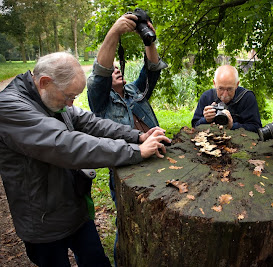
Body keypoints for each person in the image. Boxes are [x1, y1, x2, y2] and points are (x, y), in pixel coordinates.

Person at [0, 52, 170, 267]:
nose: (70, 104)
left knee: (97, 262)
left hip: (74, 209)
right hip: (43, 222)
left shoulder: (50, 99)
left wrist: (137, 136)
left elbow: (89, 122)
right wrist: (136, 151)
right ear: (45, 82)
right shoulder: (10, 108)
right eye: (69, 96)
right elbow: (65, 145)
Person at [86, 13, 167, 265]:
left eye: (118, 67)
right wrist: (114, 33)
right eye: (113, 69)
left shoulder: (135, 90)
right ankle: (125, 259)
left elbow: (152, 69)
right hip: (126, 169)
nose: (116, 69)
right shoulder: (99, 100)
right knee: (128, 219)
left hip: (157, 159)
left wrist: (149, 40)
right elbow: (100, 74)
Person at [191, 65, 262, 133]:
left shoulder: (247, 97)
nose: (224, 95)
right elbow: (194, 126)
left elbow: (257, 129)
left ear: (237, 85)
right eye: (220, 88)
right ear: (214, 84)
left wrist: (232, 126)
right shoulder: (207, 97)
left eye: (229, 89)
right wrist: (205, 120)